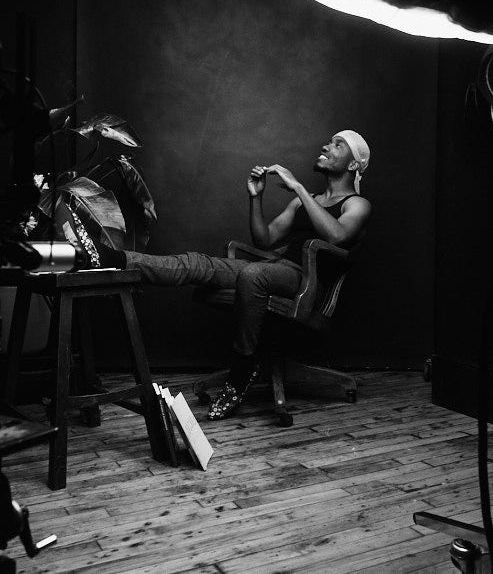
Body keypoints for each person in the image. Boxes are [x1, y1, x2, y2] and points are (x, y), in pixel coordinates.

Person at [80, 129, 372, 419]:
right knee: (197, 263)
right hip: (275, 269)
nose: (327, 146)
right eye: (329, 141)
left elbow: (337, 236)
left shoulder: (356, 204)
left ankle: (242, 369)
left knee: (254, 274)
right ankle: (109, 258)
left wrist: (297, 187)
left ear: (353, 164)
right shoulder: (303, 201)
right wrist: (255, 197)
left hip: (307, 283)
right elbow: (265, 240)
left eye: (338, 145)